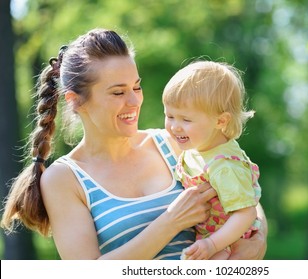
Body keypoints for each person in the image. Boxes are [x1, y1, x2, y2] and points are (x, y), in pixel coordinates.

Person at [1, 28, 267, 260]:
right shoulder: (64, 179)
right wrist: (171, 222)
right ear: (75, 100)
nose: (134, 101)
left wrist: (258, 240)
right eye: (118, 92)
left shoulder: (174, 143)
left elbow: (242, 193)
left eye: (136, 87)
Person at [162, 61, 262, 260]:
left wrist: (212, 244)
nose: (175, 127)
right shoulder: (197, 147)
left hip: (228, 241)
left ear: (220, 121)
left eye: (186, 119)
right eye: (169, 115)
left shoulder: (225, 166)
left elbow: (246, 213)